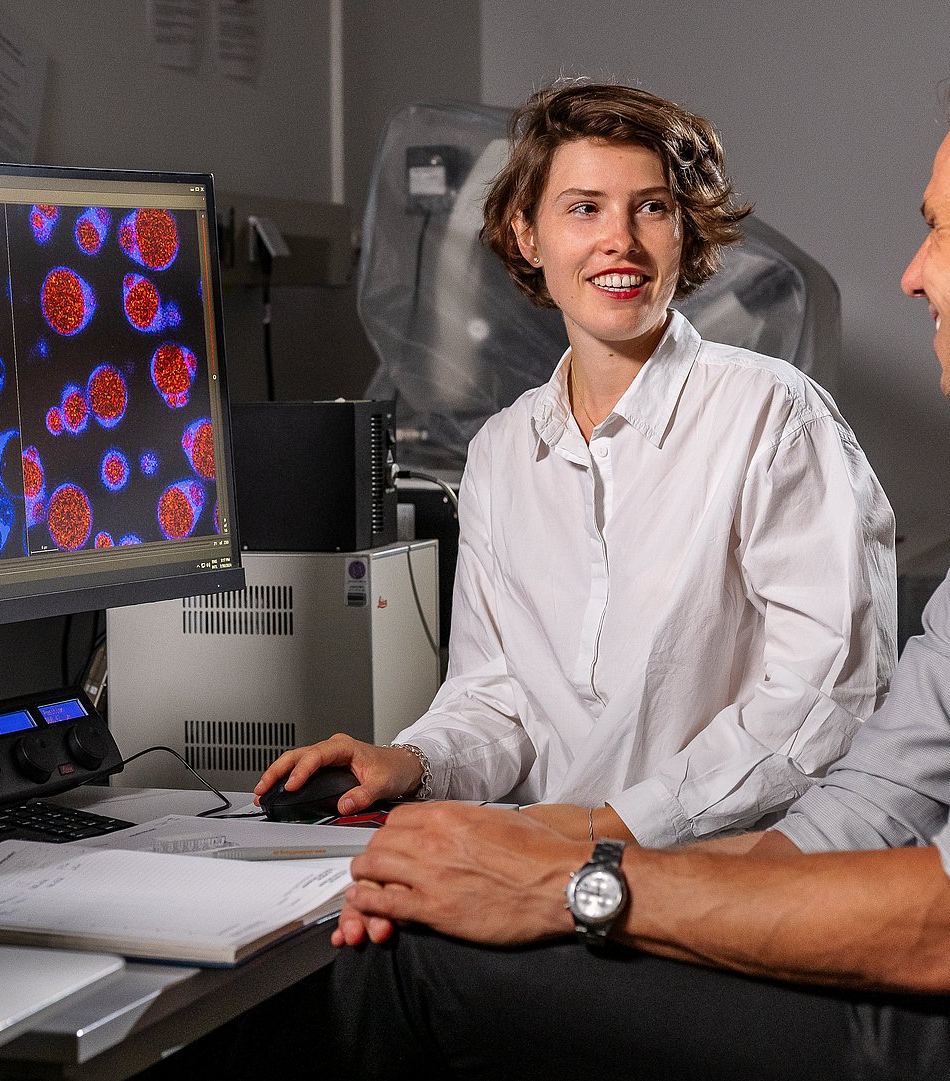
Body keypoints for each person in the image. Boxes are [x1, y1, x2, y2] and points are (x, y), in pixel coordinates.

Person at [330, 38, 950, 1081]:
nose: (912, 275)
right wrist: (544, 864)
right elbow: (857, 813)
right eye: (582, 208)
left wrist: (575, 883)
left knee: (419, 974)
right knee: (421, 935)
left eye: (937, 230)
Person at [255, 83, 896, 848]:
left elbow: (829, 693)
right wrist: (411, 761)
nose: (619, 240)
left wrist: (612, 825)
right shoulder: (503, 453)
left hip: (724, 867)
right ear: (528, 235)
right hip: (551, 860)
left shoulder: (773, 415)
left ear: (685, 232)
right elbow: (497, 700)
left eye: (651, 207)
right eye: (584, 208)